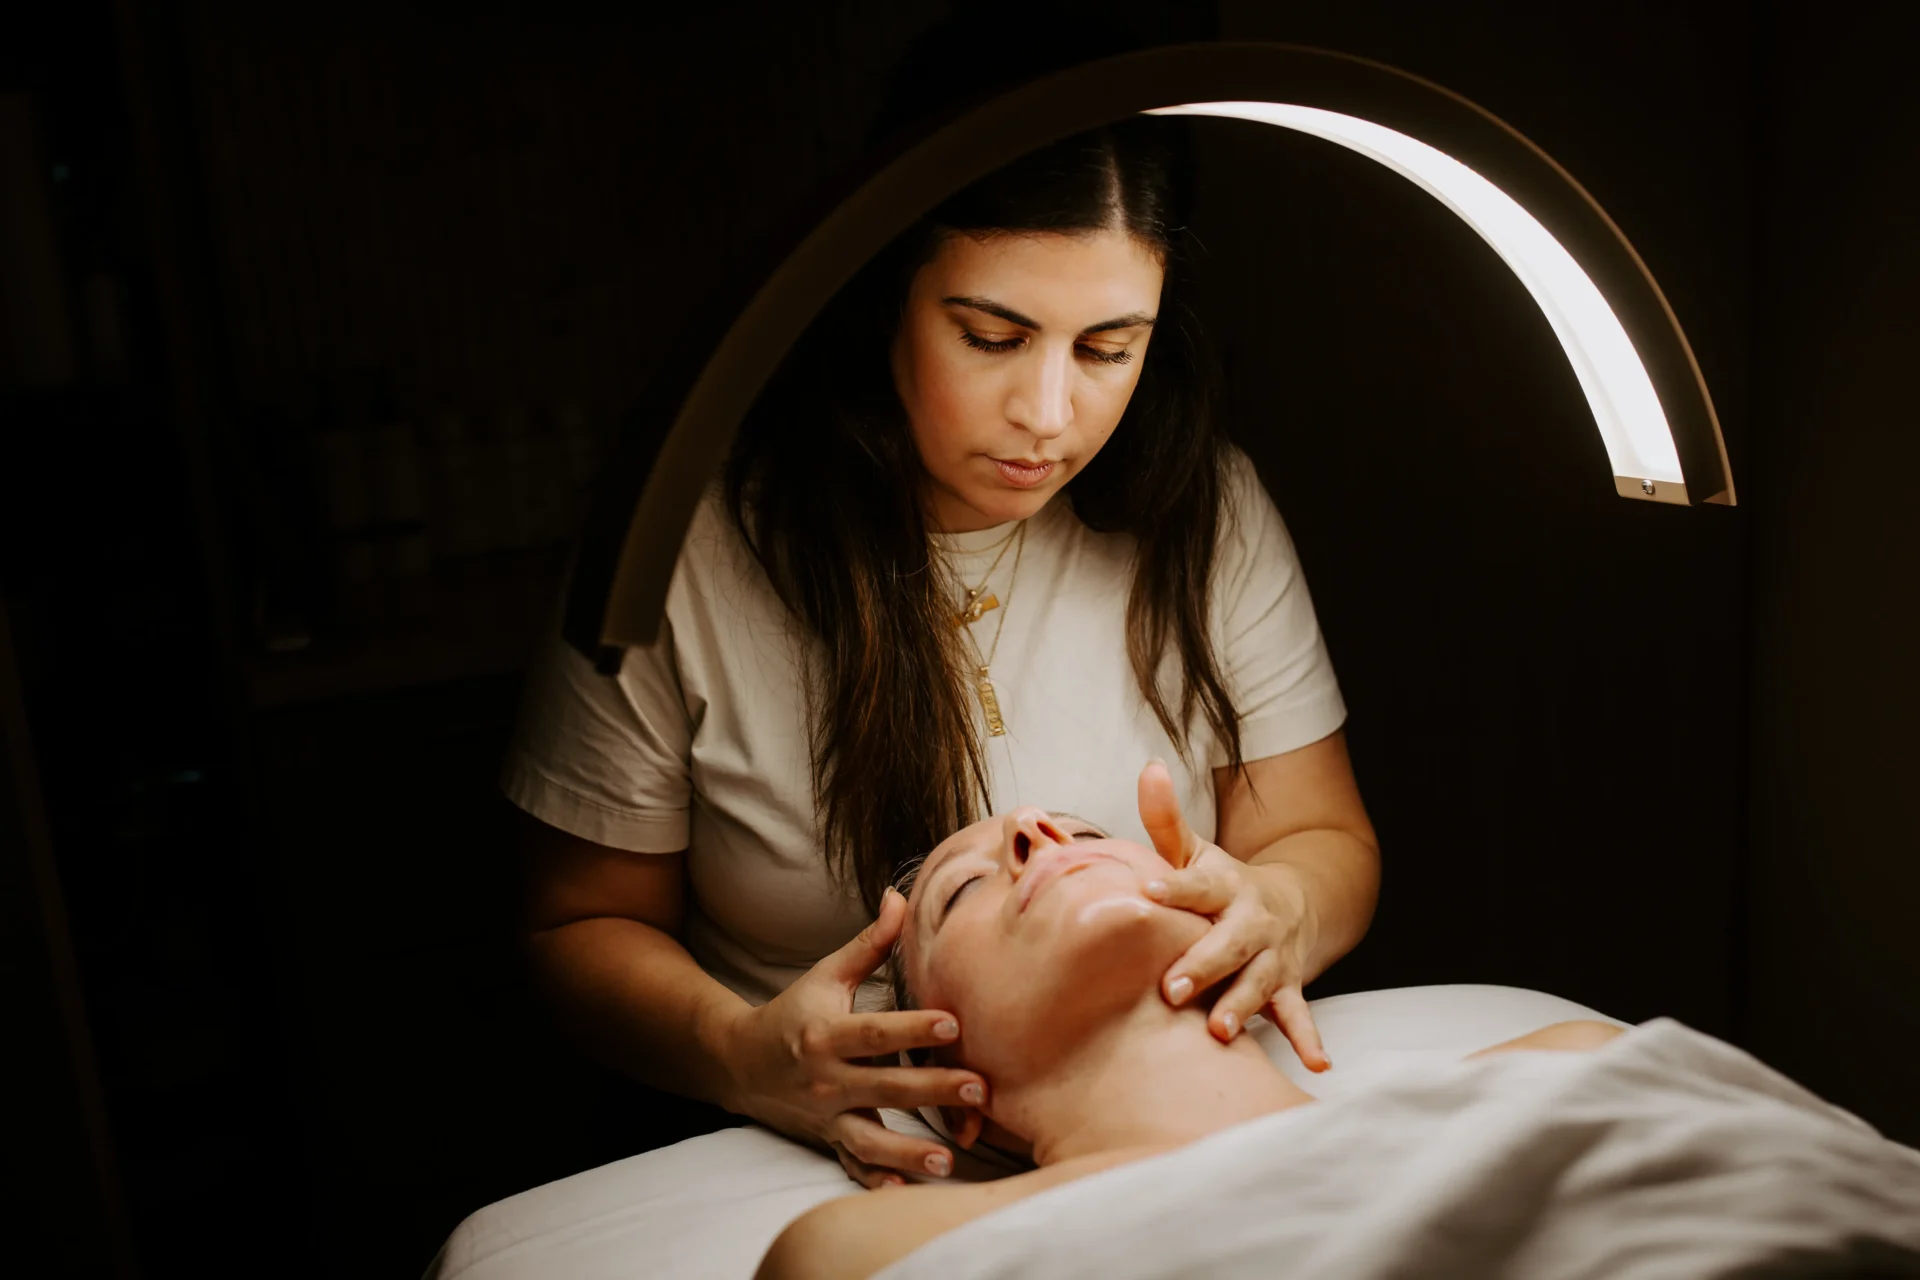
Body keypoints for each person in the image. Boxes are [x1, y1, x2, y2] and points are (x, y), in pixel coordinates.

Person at [505, 21, 1379, 1187]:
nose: (1048, 411)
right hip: (818, 1143)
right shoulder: (691, 546)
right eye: (991, 336)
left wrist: (1282, 905)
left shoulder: (1203, 508)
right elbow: (574, 925)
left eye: (1110, 347)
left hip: (1165, 1118)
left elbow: (1322, 839)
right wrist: (742, 1052)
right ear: (884, 295)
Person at [753, 769, 1624, 1280]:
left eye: (1087, 831)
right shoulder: (861, 1252)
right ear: (956, 1094)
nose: (1039, 833)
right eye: (964, 890)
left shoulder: (1564, 1079)